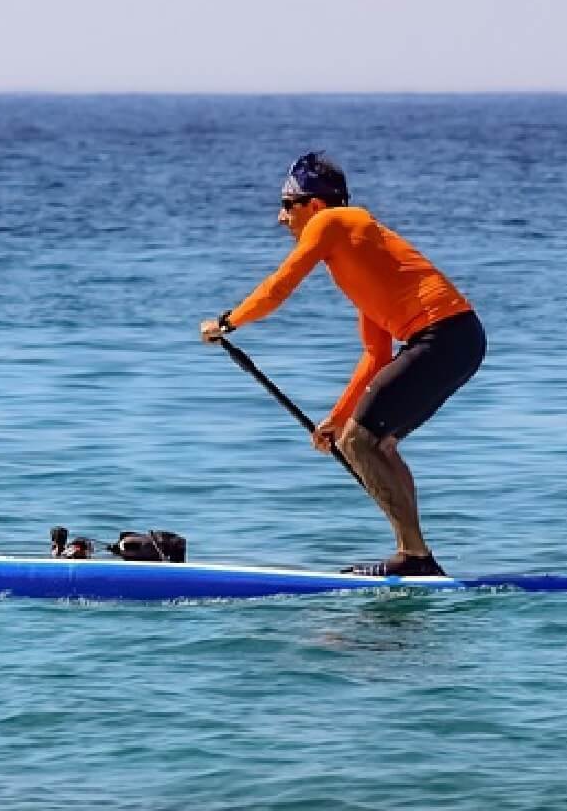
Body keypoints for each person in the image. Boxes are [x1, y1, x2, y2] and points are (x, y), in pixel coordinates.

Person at [200, 152, 485, 576]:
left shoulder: (333, 222)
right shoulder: (359, 254)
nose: (281, 218)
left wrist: (227, 322)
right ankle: (416, 555)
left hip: (443, 337)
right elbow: (376, 356)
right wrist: (334, 419)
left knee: (360, 443)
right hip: (460, 341)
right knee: (376, 443)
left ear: (313, 204)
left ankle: (414, 557)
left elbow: (280, 286)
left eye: (287, 204)